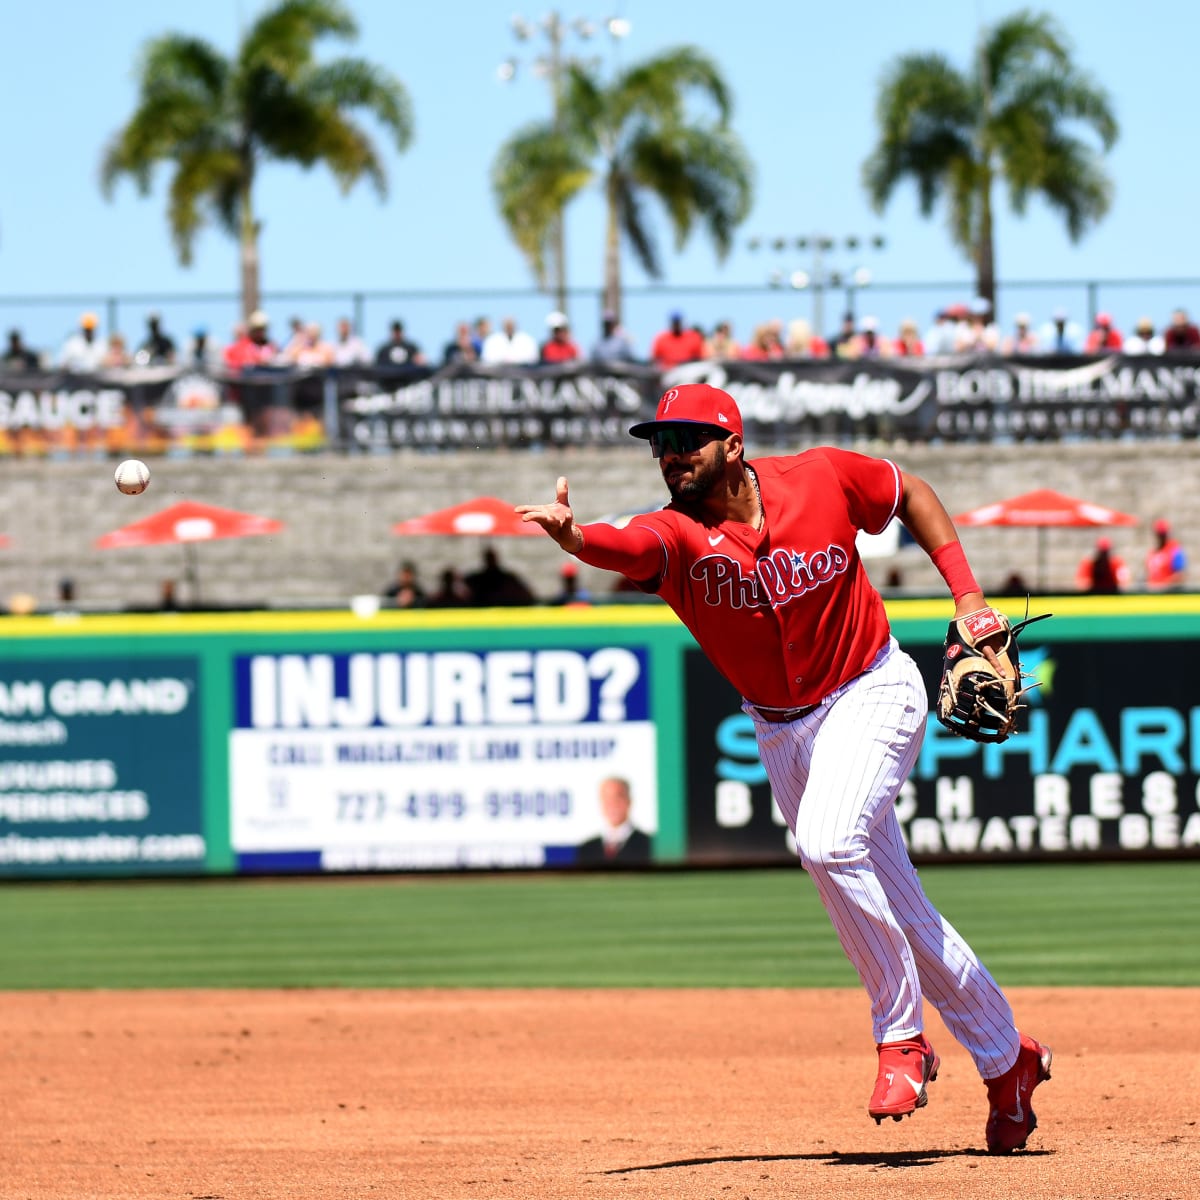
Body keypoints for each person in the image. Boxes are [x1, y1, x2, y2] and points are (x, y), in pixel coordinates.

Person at [515, 381, 1052, 1154]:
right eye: (660, 443)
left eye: (687, 439)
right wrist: (576, 539)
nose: (670, 455)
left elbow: (911, 493)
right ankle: (1010, 1063)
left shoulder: (820, 477)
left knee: (829, 844)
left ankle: (902, 1038)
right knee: (903, 911)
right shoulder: (677, 536)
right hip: (782, 732)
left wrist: (969, 599)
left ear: (733, 445)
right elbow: (626, 542)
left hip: (873, 688)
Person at [576, 776, 651, 864]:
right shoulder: (587, 849)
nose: (612, 804)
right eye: (607, 798)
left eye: (618, 797)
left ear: (629, 801)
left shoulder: (649, 845)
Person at [464, 546, 536, 607]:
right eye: (489, 558)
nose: (490, 561)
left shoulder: (507, 578)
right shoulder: (478, 578)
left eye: (491, 558)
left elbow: (527, 593)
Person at [1145, 518, 1187, 591]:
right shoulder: (1152, 553)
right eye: (1159, 534)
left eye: (1163, 534)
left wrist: (1163, 585)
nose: (1161, 537)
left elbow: (1180, 574)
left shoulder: (1174, 550)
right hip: (1153, 594)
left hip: (1168, 594)